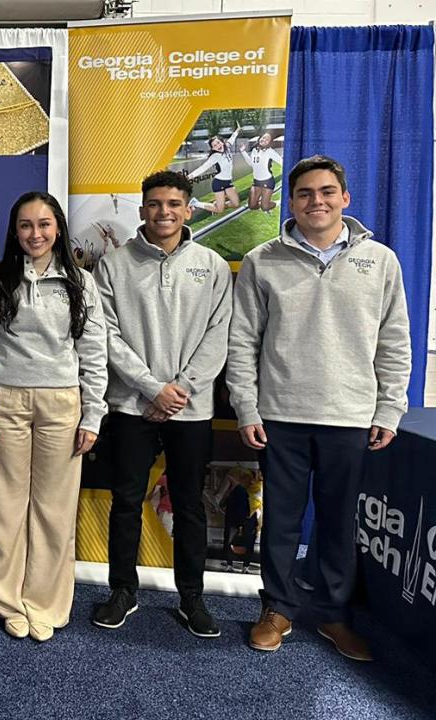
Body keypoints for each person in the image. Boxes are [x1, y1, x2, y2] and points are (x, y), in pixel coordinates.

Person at [227, 155, 410, 661]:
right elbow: (242, 341)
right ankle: (278, 609)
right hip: (280, 414)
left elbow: (394, 341)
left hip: (349, 415)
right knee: (281, 521)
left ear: (345, 199)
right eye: (306, 193)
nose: (317, 201)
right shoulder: (264, 260)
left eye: (327, 192)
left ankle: (333, 615)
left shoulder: (382, 261)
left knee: (338, 523)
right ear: (292, 201)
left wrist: (389, 409)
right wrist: (246, 406)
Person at [91, 170, 232, 638]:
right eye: (154, 203)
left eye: (174, 203)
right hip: (132, 406)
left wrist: (180, 389)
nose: (164, 212)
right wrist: (151, 388)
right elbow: (105, 335)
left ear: (189, 209)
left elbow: (219, 336)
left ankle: (191, 597)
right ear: (142, 210)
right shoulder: (113, 265)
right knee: (126, 500)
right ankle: (122, 591)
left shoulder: (210, 265)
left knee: (189, 504)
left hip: (191, 408)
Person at [0, 191, 108, 641]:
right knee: (6, 508)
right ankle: (8, 602)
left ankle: (44, 603)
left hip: (62, 405)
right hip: (4, 401)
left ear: (58, 229)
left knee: (53, 511)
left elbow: (93, 351)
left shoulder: (81, 283)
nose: (35, 234)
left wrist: (93, 416)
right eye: (26, 225)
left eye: (44, 224)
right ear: (14, 230)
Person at [186, 128, 241, 214]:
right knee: (220, 210)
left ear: (222, 142)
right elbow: (203, 168)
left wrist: (236, 131)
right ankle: (196, 203)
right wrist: (190, 176)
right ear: (213, 148)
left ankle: (217, 205)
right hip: (218, 183)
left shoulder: (227, 147)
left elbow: (232, 139)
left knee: (236, 204)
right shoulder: (215, 156)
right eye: (214, 145)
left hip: (228, 181)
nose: (218, 146)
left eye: (218, 143)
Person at [241, 133, 284, 213]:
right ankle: (264, 202)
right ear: (259, 138)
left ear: (269, 142)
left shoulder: (269, 151)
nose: (264, 140)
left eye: (267, 140)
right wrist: (243, 151)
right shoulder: (254, 150)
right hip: (256, 181)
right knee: (252, 206)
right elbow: (251, 163)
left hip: (267, 181)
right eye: (263, 137)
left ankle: (277, 203)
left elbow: (282, 162)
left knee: (265, 207)